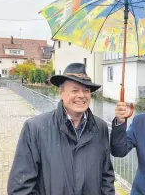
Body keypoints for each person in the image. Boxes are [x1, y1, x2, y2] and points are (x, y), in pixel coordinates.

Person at [8, 63, 115, 195]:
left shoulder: (101, 128)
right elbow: (20, 188)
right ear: (61, 92)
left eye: (86, 90)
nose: (82, 95)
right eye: (75, 90)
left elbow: (107, 177)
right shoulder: (35, 129)